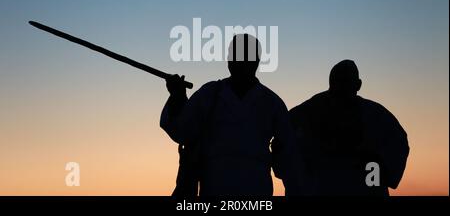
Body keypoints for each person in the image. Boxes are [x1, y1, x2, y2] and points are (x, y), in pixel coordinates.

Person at [160, 34, 299, 196]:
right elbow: (182, 131)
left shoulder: (272, 103)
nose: (240, 63)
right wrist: (177, 98)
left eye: (245, 57)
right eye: (236, 56)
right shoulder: (209, 94)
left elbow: (288, 158)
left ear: (256, 61)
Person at [283, 60, 409, 196]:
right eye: (339, 82)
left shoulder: (377, 116)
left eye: (346, 82)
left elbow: (398, 146)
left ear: (358, 85)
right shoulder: (302, 114)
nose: (342, 88)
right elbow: (282, 152)